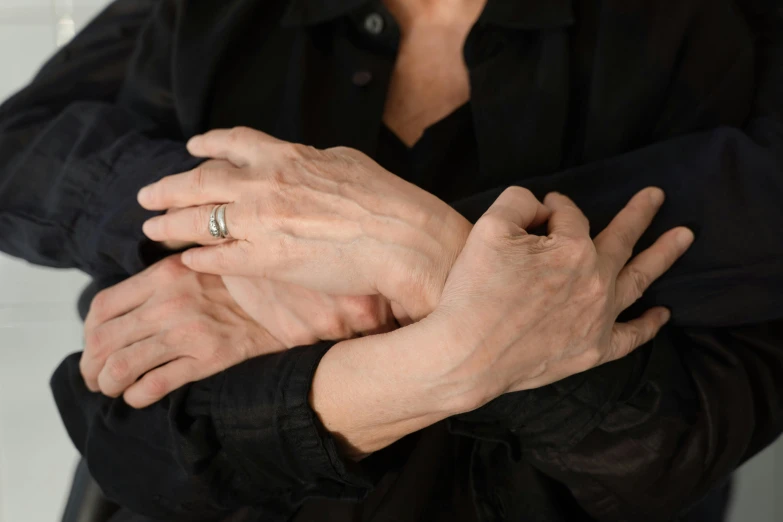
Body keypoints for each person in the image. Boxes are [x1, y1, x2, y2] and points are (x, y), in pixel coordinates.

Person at [0, 1, 781, 521]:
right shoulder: (211, 15)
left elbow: (666, 449)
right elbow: (137, 437)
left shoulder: (721, 29)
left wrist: (399, 245)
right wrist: (241, 224)